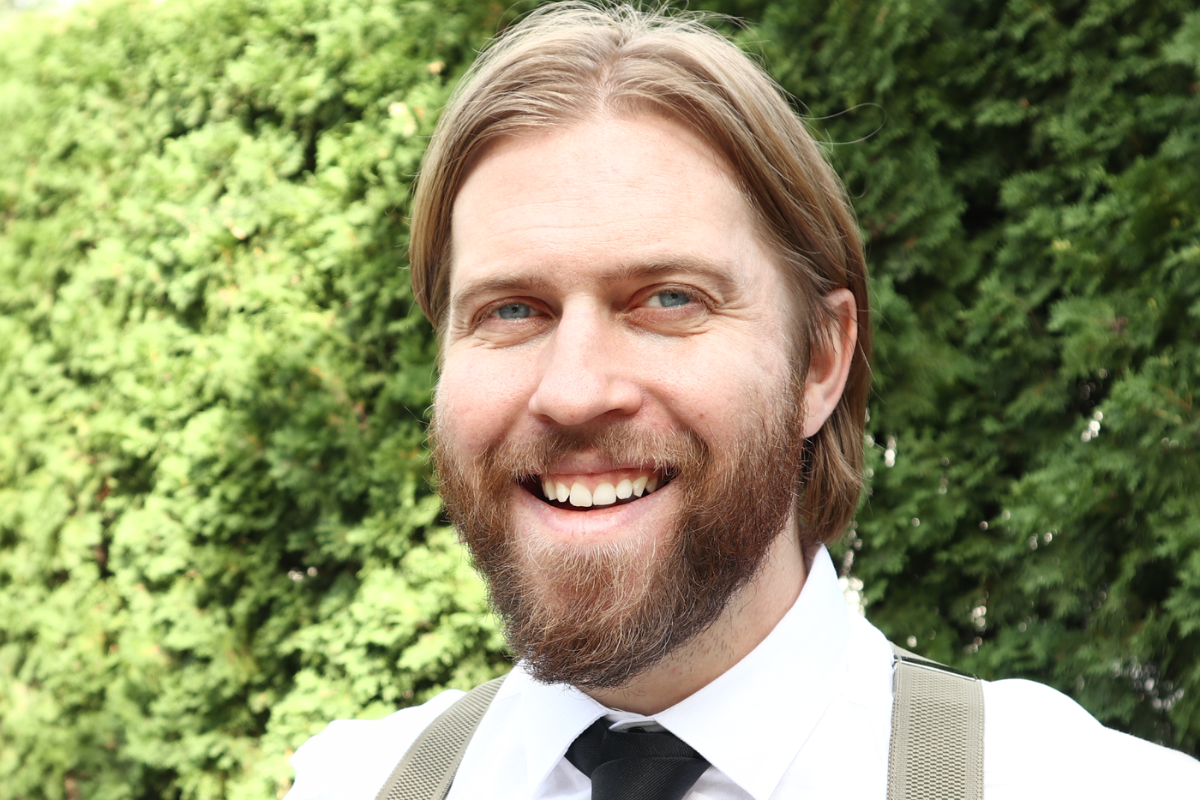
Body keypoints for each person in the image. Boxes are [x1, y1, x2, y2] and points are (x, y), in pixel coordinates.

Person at [285, 3, 1199, 798]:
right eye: (511, 310)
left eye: (669, 300)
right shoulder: (351, 784)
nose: (571, 391)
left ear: (820, 362)